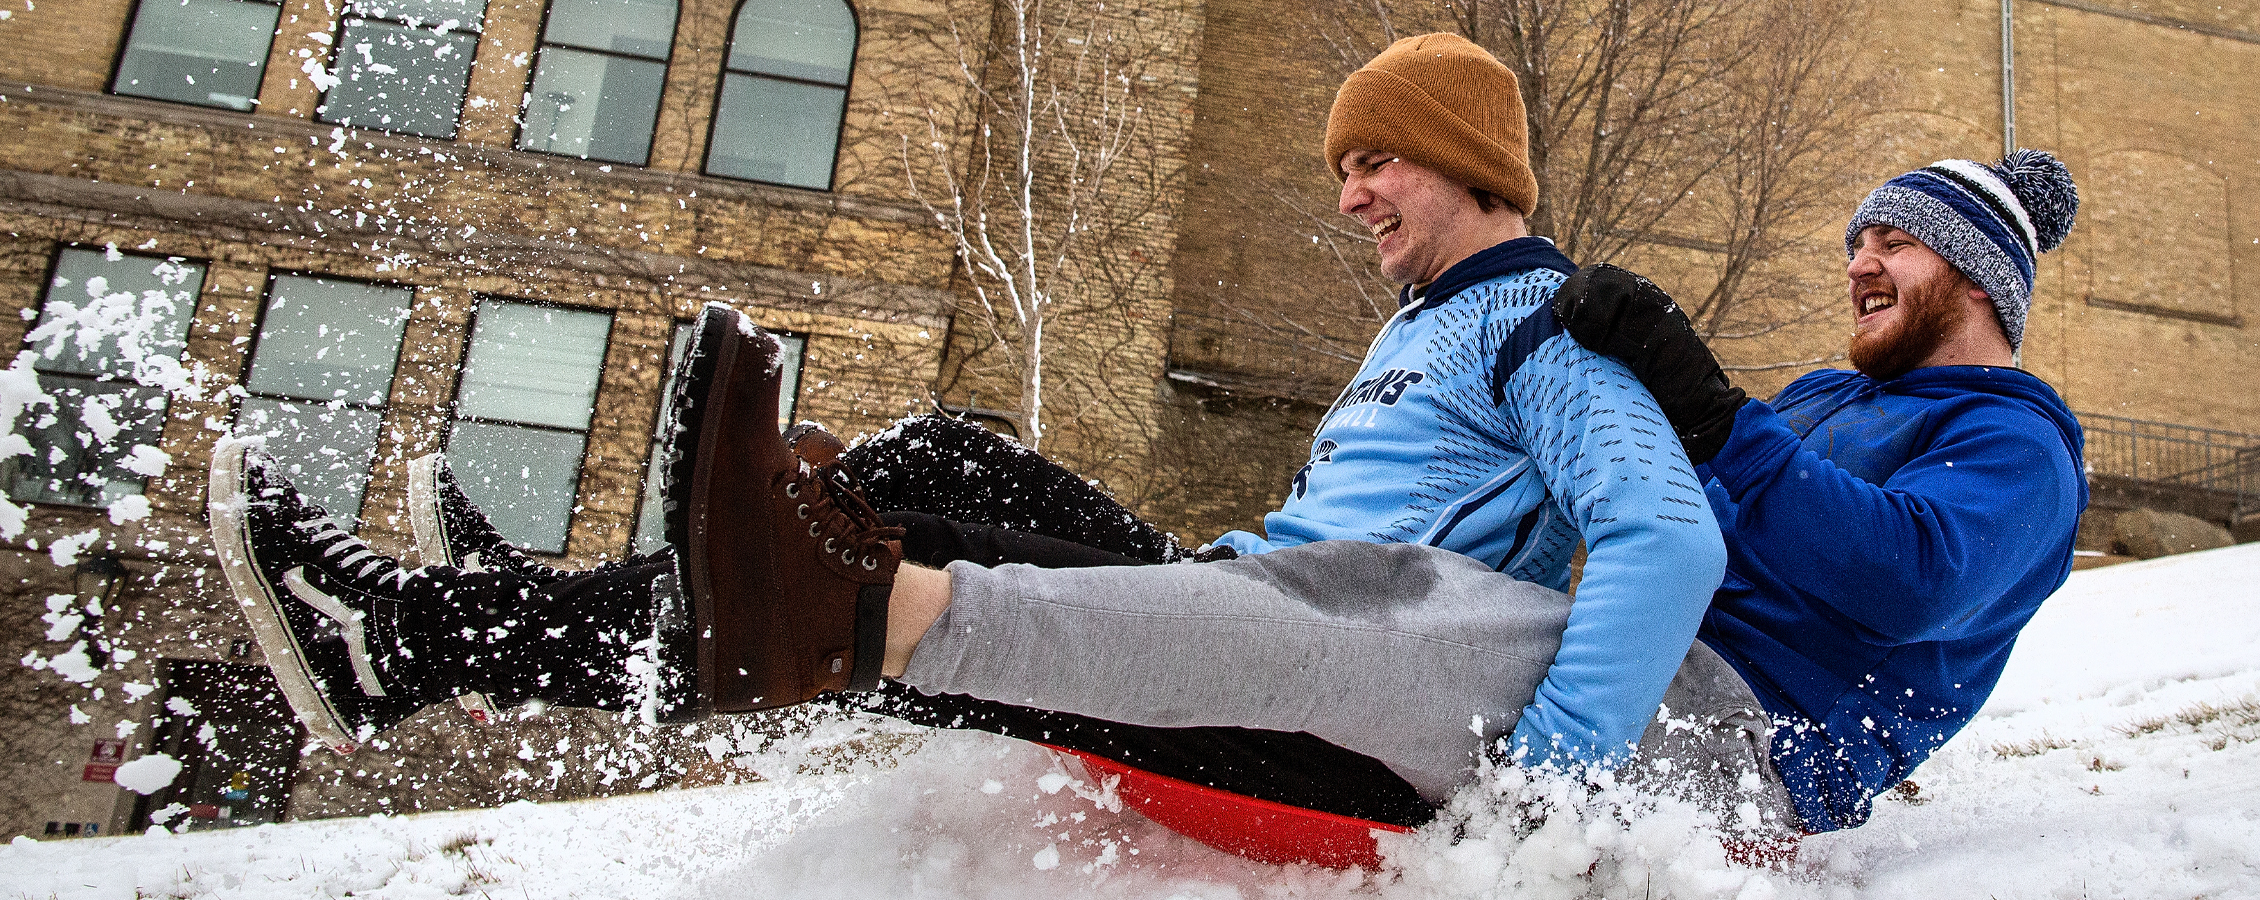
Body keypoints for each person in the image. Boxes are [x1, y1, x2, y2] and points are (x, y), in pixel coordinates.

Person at [209, 34, 1733, 830]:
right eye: (1345, 165)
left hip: (1330, 705)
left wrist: (1546, 787)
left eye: (1380, 163)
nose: (1348, 197)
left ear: (1471, 170)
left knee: (870, 569)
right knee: (935, 459)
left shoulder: (1550, 333)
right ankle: (532, 604)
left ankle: (416, 638)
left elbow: (1667, 540)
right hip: (1244, 616)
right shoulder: (1418, 334)